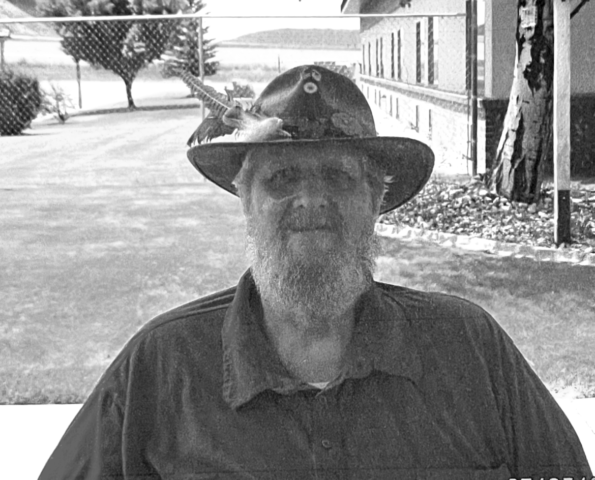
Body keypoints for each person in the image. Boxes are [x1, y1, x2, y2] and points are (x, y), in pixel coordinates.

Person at [39, 65, 591, 480]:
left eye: (337, 175)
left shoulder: (469, 348)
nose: (310, 200)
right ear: (246, 200)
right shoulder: (161, 366)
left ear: (375, 199)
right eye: (281, 178)